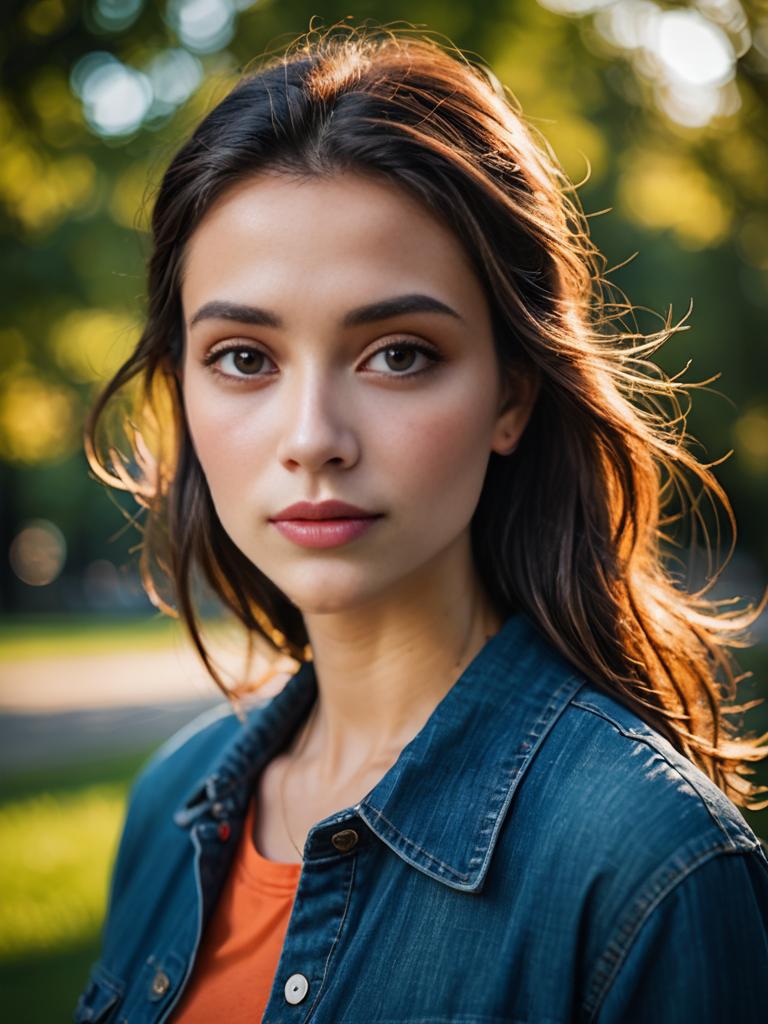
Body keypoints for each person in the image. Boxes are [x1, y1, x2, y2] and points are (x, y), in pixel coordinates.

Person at [75, 23, 768, 1024]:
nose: (312, 438)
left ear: (512, 394)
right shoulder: (168, 808)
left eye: (398, 354)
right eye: (244, 357)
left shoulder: (649, 868)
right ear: (181, 385)